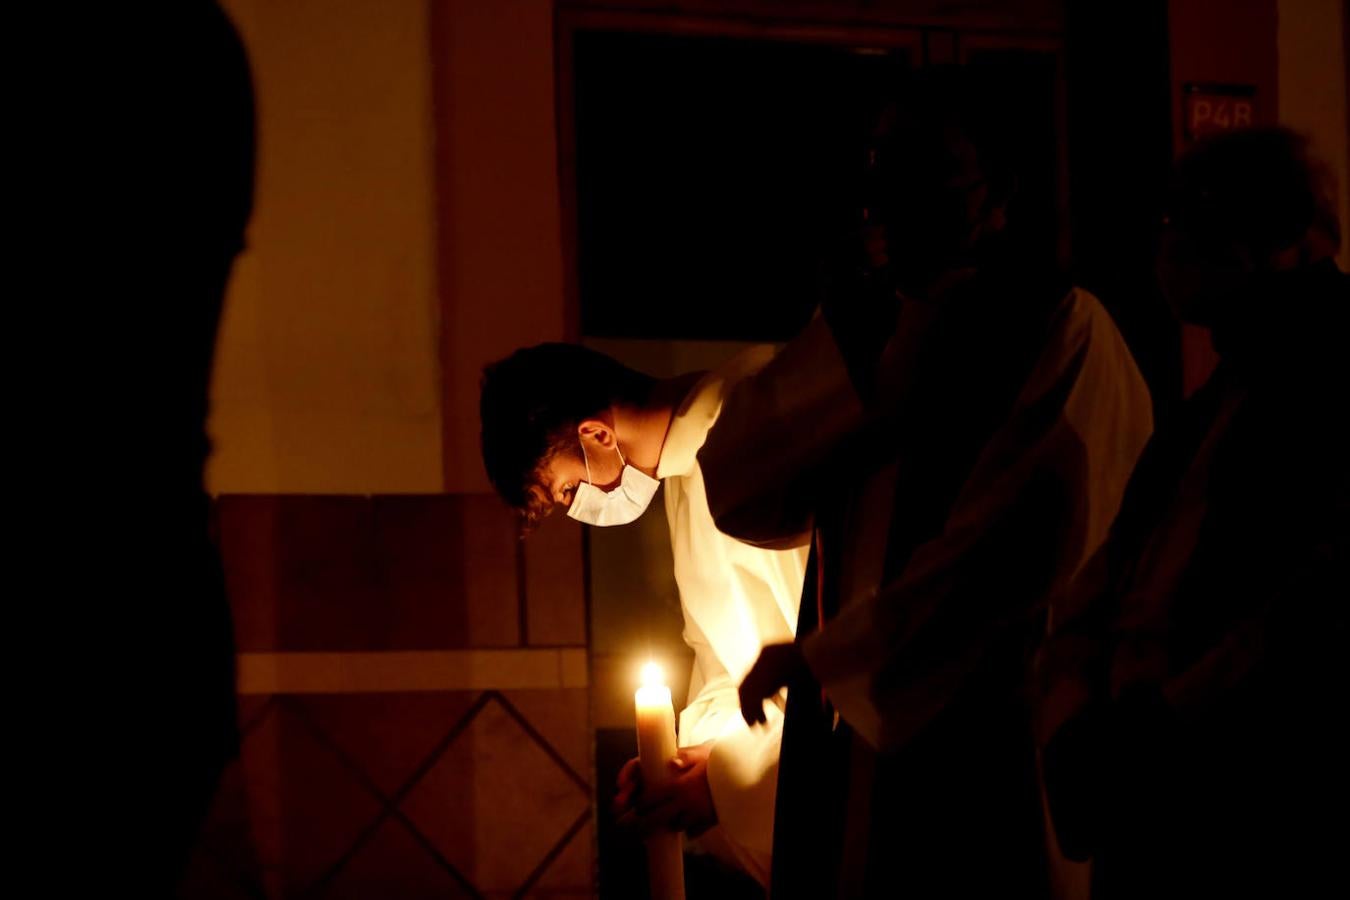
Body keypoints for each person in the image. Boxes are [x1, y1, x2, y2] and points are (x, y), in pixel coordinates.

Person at [700, 70, 1155, 897]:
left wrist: (828, 657)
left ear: (997, 195)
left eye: (922, 171)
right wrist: (849, 335)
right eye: (878, 171)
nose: (887, 202)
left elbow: (1014, 546)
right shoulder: (878, 324)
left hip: (988, 727)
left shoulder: (1060, 326)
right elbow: (738, 489)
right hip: (857, 730)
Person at [1037, 127, 1349, 900]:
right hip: (1157, 774)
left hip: (1243, 802)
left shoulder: (1330, 374)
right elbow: (1132, 564)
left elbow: (1310, 601)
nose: (1169, 246)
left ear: (1275, 239)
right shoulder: (1228, 385)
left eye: (1192, 222)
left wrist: (1156, 730)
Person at [479, 343, 807, 886]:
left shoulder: (745, 422)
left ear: (596, 435)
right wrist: (683, 763)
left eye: (565, 491)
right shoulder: (687, 472)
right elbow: (727, 665)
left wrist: (721, 782)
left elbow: (827, 639)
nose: (578, 508)